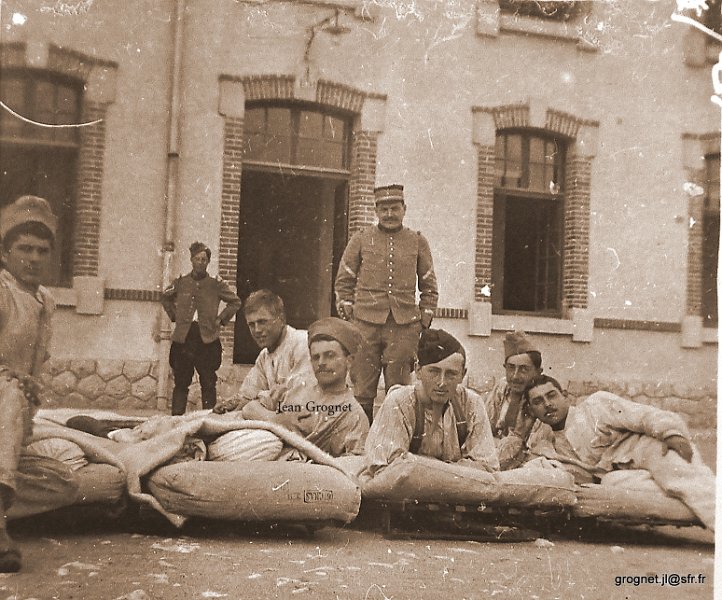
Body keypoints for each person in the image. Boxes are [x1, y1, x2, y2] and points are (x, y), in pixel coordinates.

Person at [525, 375, 716, 530]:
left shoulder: (595, 405)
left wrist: (671, 433)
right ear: (532, 410)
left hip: (649, 449)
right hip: (619, 472)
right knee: (630, 488)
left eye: (551, 396)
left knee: (687, 483)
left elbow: (643, 415)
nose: (547, 404)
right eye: (538, 401)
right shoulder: (546, 443)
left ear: (565, 396)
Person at [0, 196, 77, 572]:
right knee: (10, 392)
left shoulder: (45, 301)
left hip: (12, 426)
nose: (33, 258)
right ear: (5, 253)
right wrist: (10, 380)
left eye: (42, 250)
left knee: (62, 483)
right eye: (23, 249)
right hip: (2, 402)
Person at [334, 184, 438, 422]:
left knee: (399, 390)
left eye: (394, 208)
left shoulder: (417, 241)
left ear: (404, 209)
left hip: (404, 327)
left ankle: (397, 437)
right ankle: (361, 438)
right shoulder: (360, 239)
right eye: (383, 209)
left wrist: (424, 319)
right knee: (362, 388)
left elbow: (429, 284)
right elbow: (344, 280)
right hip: (364, 325)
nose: (389, 214)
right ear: (376, 211)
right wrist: (349, 313)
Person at [362, 329, 499, 480]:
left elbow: (488, 467)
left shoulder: (471, 403)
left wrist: (420, 466)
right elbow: (386, 467)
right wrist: (455, 470)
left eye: (451, 374)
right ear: (418, 371)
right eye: (433, 372)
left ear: (462, 375)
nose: (441, 383)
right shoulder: (400, 402)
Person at [242, 317, 369, 457]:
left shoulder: (354, 416)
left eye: (330, 355)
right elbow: (250, 408)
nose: (321, 363)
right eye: (316, 357)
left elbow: (354, 465)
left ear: (349, 361)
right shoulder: (297, 385)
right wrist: (276, 420)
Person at [161, 242, 241, 415]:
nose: (200, 262)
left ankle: (209, 421)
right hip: (184, 338)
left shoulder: (215, 284)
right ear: (191, 260)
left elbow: (235, 301)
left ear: (208, 262)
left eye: (204, 259)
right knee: (181, 382)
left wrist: (221, 319)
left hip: (207, 339)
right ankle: (177, 421)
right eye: (197, 259)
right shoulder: (181, 282)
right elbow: (165, 298)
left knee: (208, 382)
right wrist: (175, 316)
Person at [213, 290, 312, 414]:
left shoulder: (301, 343)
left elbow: (299, 398)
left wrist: (257, 399)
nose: (257, 330)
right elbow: (248, 393)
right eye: (251, 324)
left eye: (262, 322)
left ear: (281, 319)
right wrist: (230, 404)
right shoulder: (264, 356)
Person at [484, 331, 544, 470]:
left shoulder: (542, 398)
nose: (515, 376)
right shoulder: (502, 387)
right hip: (494, 457)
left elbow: (531, 450)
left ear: (538, 372)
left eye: (524, 369)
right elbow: (484, 431)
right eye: (511, 368)